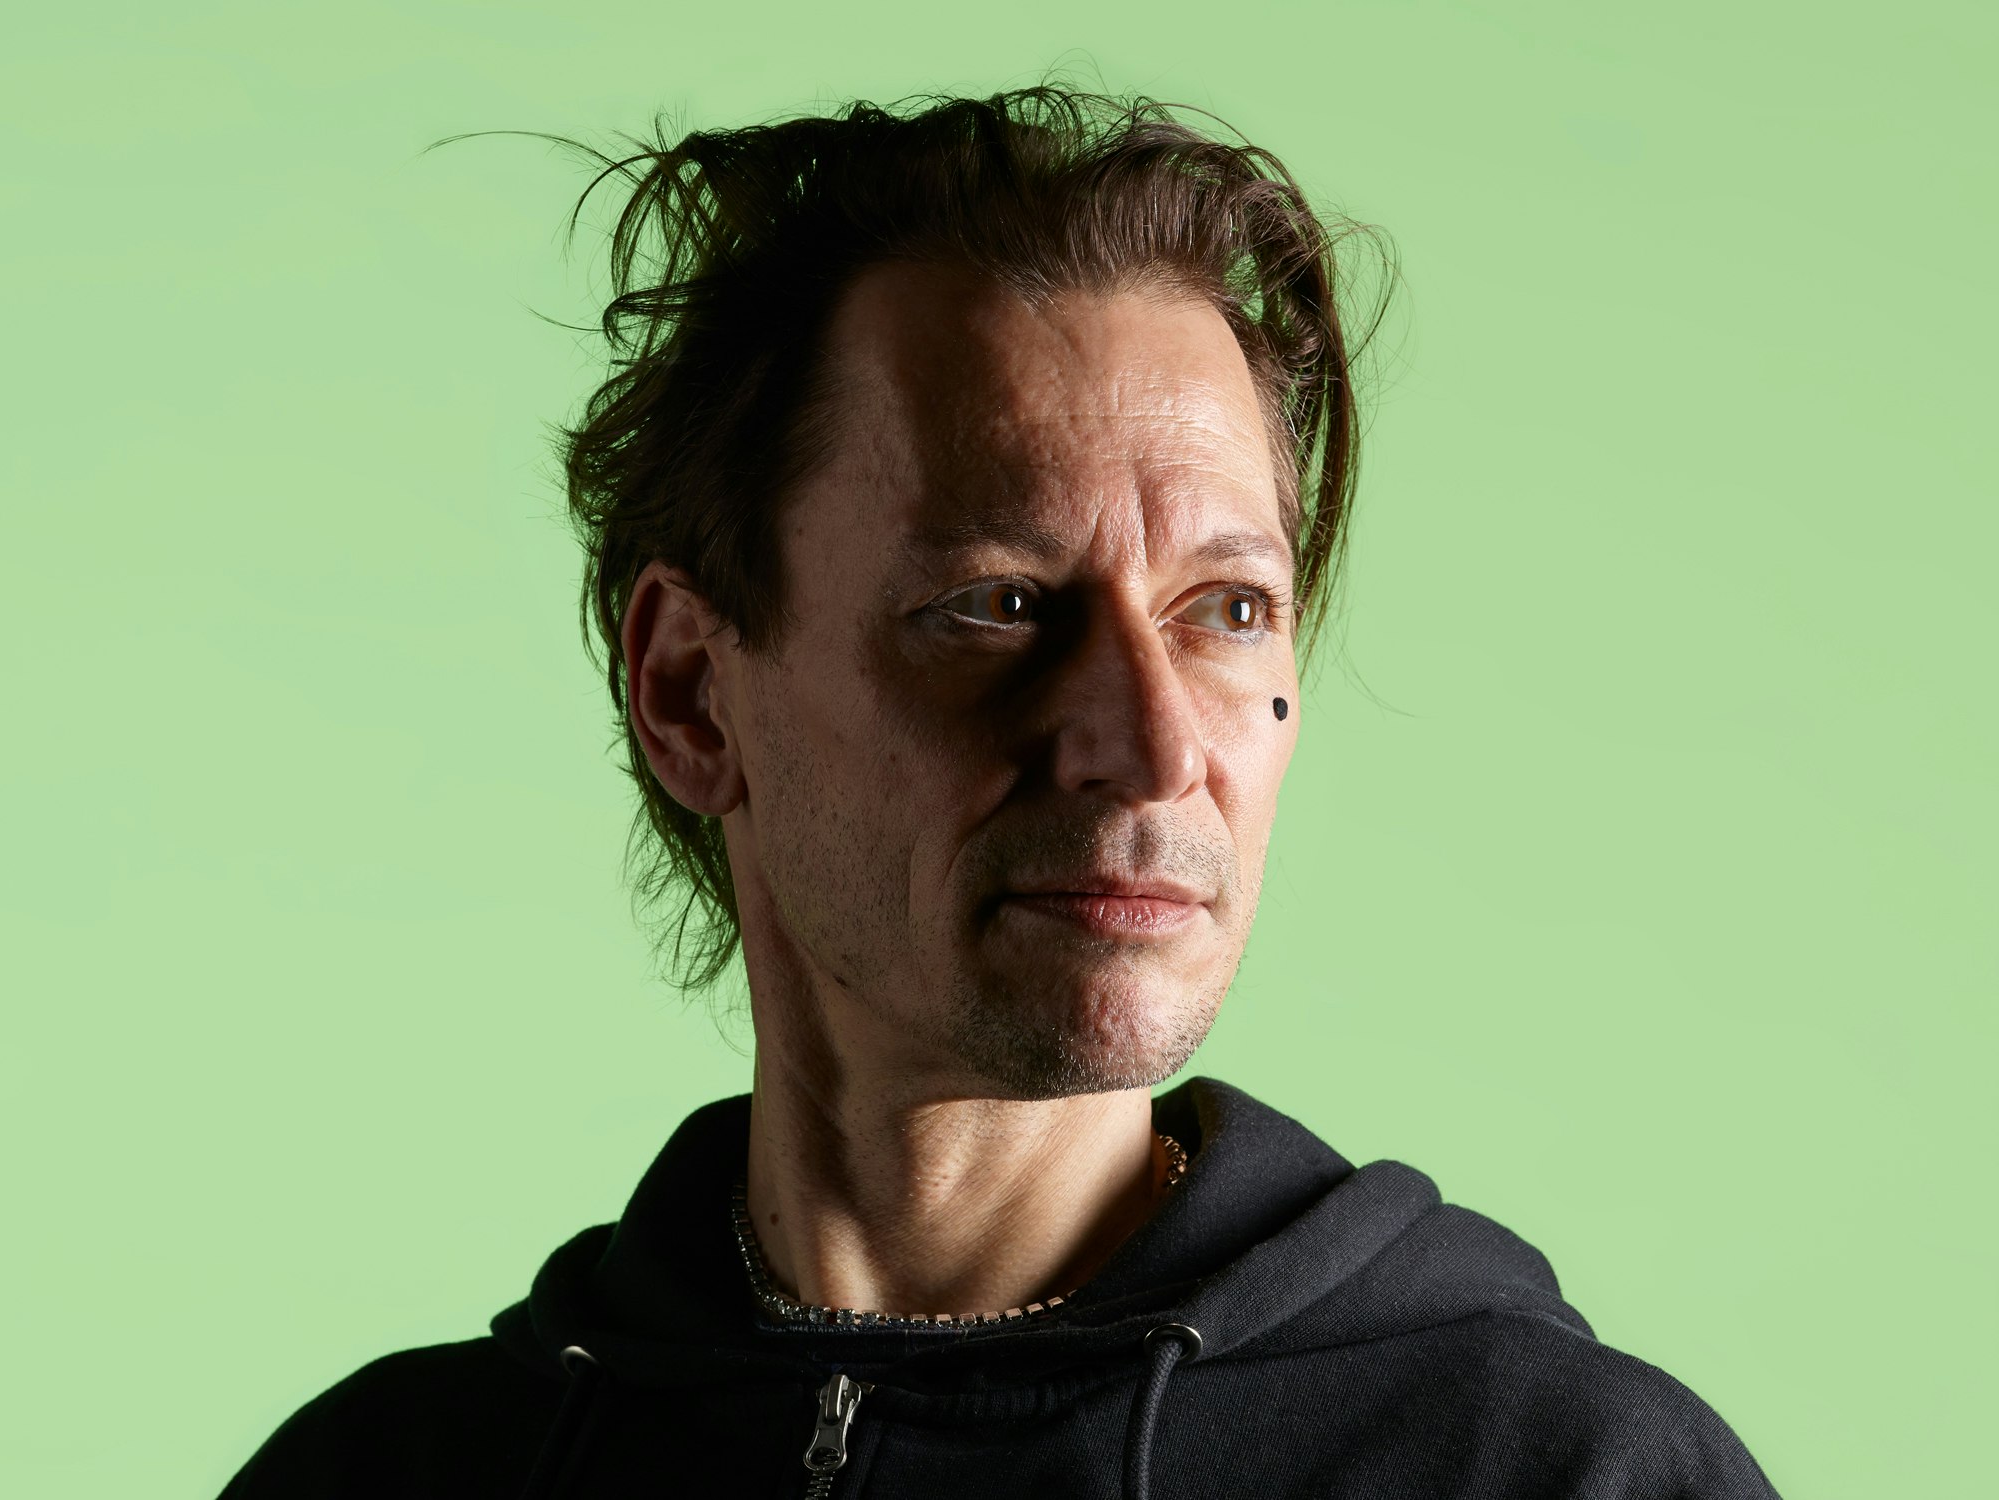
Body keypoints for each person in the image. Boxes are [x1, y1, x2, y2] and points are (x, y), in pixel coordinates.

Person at [220, 86, 1779, 1499]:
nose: (1154, 748)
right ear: (692, 691)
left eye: (1228, 610)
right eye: (999, 606)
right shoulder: (388, 1480)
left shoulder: (1556, 1474)